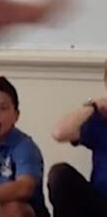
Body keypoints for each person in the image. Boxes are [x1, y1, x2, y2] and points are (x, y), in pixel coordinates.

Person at [0, 77, 50, 217]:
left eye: (2, 108)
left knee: (11, 206)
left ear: (16, 115)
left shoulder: (24, 146)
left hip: (25, 211)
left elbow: (24, 187)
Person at [49, 62, 107, 217]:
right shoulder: (101, 120)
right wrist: (92, 106)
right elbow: (59, 133)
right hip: (100, 206)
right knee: (60, 174)